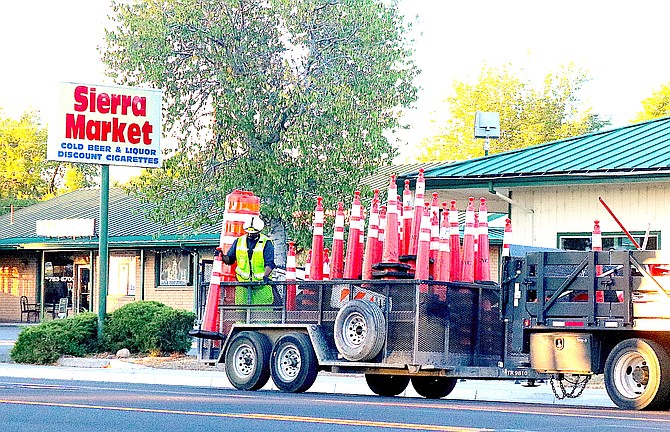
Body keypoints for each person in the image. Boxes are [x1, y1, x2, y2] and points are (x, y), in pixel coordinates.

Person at [221, 216, 276, 305]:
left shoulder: (266, 242)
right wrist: (221, 256)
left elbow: (270, 263)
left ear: (259, 231)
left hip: (261, 286)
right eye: (249, 232)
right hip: (242, 286)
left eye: (253, 233)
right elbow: (229, 260)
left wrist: (265, 277)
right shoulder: (239, 241)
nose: (250, 234)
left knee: (262, 315)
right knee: (241, 314)